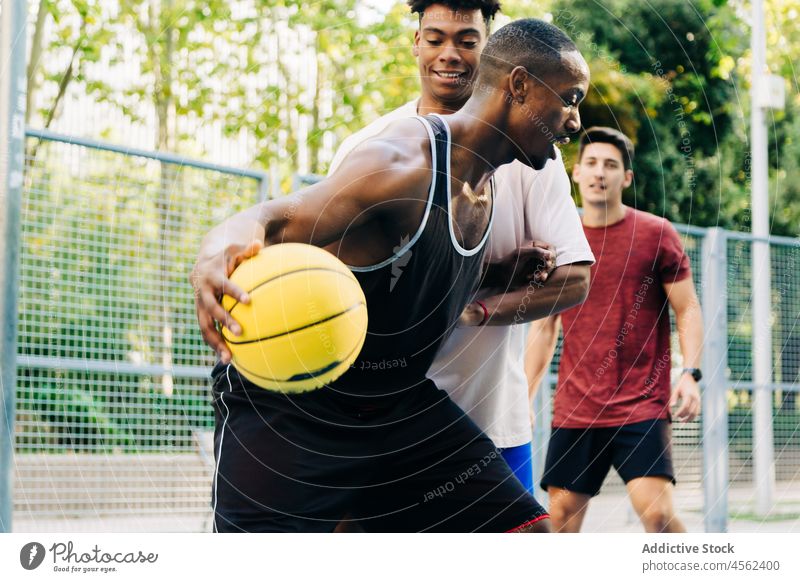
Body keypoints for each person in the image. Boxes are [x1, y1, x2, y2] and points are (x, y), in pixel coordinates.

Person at [191, 18, 589, 532]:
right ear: (519, 86)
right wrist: (212, 259)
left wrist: (491, 275)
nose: (573, 122)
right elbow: (272, 218)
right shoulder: (406, 161)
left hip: (395, 406)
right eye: (569, 98)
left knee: (528, 537)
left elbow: (410, 284)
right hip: (292, 410)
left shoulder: (486, 185)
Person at [328, 0, 594, 494]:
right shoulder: (370, 148)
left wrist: (477, 306)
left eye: (467, 41)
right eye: (436, 39)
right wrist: (485, 277)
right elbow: (333, 271)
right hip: (383, 424)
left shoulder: (535, 152)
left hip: (491, 424)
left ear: (490, 52)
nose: (449, 53)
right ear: (416, 44)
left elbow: (576, 277)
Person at [527, 126, 703, 532]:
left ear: (626, 177)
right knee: (559, 522)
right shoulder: (557, 242)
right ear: (576, 173)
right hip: (576, 408)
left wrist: (690, 373)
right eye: (590, 163)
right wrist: (526, 395)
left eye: (610, 165)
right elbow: (543, 328)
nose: (598, 173)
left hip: (640, 404)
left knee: (657, 515)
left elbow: (687, 308)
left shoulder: (656, 235)